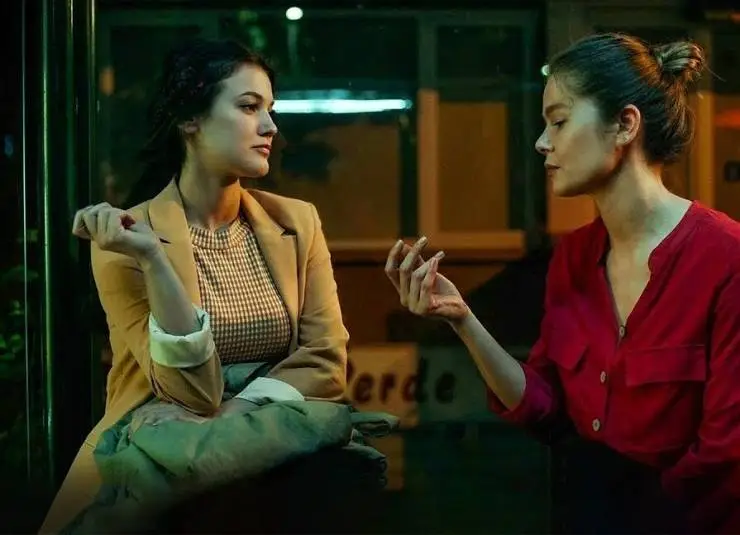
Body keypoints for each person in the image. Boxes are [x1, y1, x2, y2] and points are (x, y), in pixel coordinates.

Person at [386, 33, 740, 534]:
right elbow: (545, 407)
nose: (542, 141)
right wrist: (463, 320)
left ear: (625, 124)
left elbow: (725, 455)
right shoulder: (573, 258)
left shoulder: (726, 259)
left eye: (559, 121)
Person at [40, 39, 349, 533]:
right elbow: (188, 392)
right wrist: (153, 259)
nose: (270, 126)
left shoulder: (297, 223)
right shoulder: (126, 239)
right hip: (157, 477)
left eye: (270, 109)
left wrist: (235, 411)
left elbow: (327, 360)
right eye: (248, 107)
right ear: (190, 120)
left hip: (271, 479)